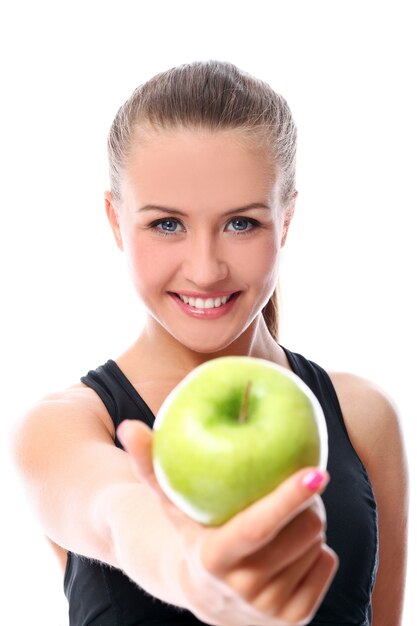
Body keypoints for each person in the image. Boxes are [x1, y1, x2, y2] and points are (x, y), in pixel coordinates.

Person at [12, 60, 408, 626]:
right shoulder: (61, 428)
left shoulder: (361, 416)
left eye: (242, 223)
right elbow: (116, 514)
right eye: (167, 224)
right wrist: (187, 571)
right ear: (116, 221)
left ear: (286, 218)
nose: (204, 270)